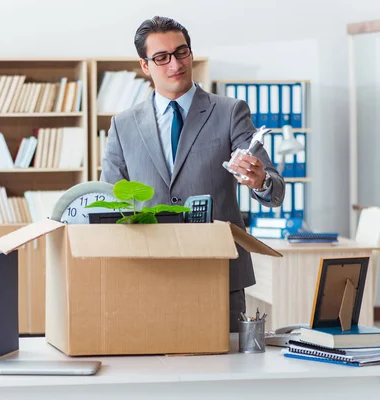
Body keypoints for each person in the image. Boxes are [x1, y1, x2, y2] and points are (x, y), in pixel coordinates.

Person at [100, 16, 285, 332]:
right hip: (150, 271)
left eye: (181, 52)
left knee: (224, 369)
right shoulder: (123, 124)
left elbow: (274, 187)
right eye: (161, 57)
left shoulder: (229, 111)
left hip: (218, 270)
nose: (175, 63)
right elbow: (110, 199)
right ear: (145, 66)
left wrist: (260, 181)